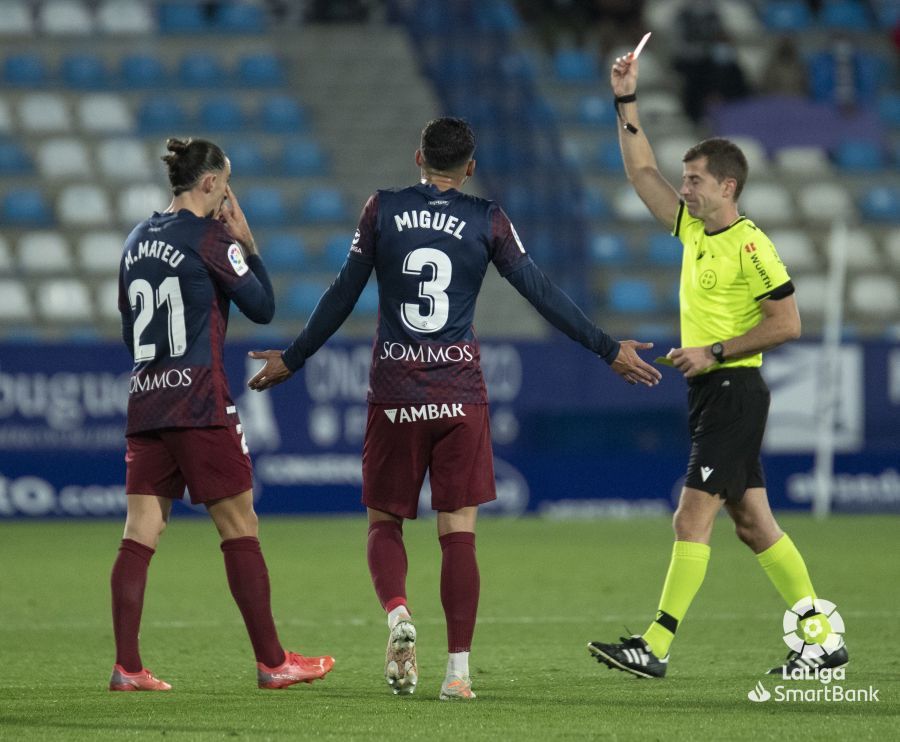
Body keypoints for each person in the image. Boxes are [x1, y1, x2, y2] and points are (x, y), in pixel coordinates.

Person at [247, 117, 662, 700]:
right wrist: (606, 347)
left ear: (418, 156)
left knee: (384, 521)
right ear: (470, 166)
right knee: (458, 531)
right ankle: (458, 675)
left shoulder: (382, 210)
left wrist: (294, 357)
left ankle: (398, 617)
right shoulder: (487, 218)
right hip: (459, 395)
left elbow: (344, 290)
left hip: (395, 391)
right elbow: (540, 291)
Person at [587, 51, 848, 678]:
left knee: (690, 514)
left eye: (696, 179)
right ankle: (823, 643)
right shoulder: (694, 231)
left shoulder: (751, 243)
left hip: (733, 388)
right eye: (687, 178)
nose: (685, 187)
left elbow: (788, 322)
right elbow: (641, 170)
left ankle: (654, 643)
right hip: (715, 391)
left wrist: (715, 350)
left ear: (727, 186)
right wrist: (626, 99)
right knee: (755, 524)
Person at [110, 137, 335, 691]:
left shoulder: (136, 239)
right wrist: (249, 244)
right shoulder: (211, 237)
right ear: (208, 183)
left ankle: (127, 667)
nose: (228, 195)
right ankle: (273, 662)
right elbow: (262, 307)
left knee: (140, 530)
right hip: (199, 397)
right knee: (240, 525)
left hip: (146, 396)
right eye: (226, 184)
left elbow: (126, 322)